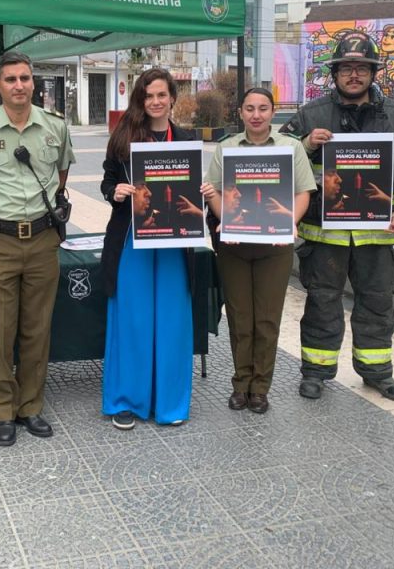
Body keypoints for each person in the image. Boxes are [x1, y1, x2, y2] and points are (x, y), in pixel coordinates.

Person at [281, 31, 394, 402]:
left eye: (362, 68)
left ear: (374, 72)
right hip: (325, 234)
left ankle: (377, 372)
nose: (354, 75)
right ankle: (315, 371)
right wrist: (307, 144)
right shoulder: (310, 115)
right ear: (335, 73)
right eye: (347, 68)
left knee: (377, 304)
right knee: (321, 304)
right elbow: (279, 157)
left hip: (377, 234)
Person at [0, 52, 75, 447]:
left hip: (43, 240)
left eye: (25, 78)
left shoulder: (55, 127)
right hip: (0, 242)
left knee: (37, 329)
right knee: (0, 330)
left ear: (33, 82)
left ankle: (30, 406)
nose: (20, 85)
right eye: (10, 79)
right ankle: (3, 409)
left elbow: (61, 174)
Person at [204, 88, 315, 414]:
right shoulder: (226, 148)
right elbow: (215, 193)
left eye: (263, 108)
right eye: (250, 108)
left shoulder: (291, 148)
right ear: (240, 112)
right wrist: (226, 218)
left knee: (266, 320)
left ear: (273, 111)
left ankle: (260, 388)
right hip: (235, 247)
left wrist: (290, 222)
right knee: (240, 319)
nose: (256, 114)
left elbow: (303, 192)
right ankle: (241, 383)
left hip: (275, 246)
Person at [99, 67, 194, 431]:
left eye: (161, 95)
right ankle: (127, 401)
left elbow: (193, 187)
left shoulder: (184, 139)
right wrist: (115, 192)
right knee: (133, 318)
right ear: (140, 99)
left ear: (172, 98)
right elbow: (108, 179)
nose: (155, 102)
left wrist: (200, 193)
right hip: (132, 239)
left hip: (173, 241)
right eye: (148, 96)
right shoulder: (123, 136)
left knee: (172, 319)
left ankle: (170, 403)